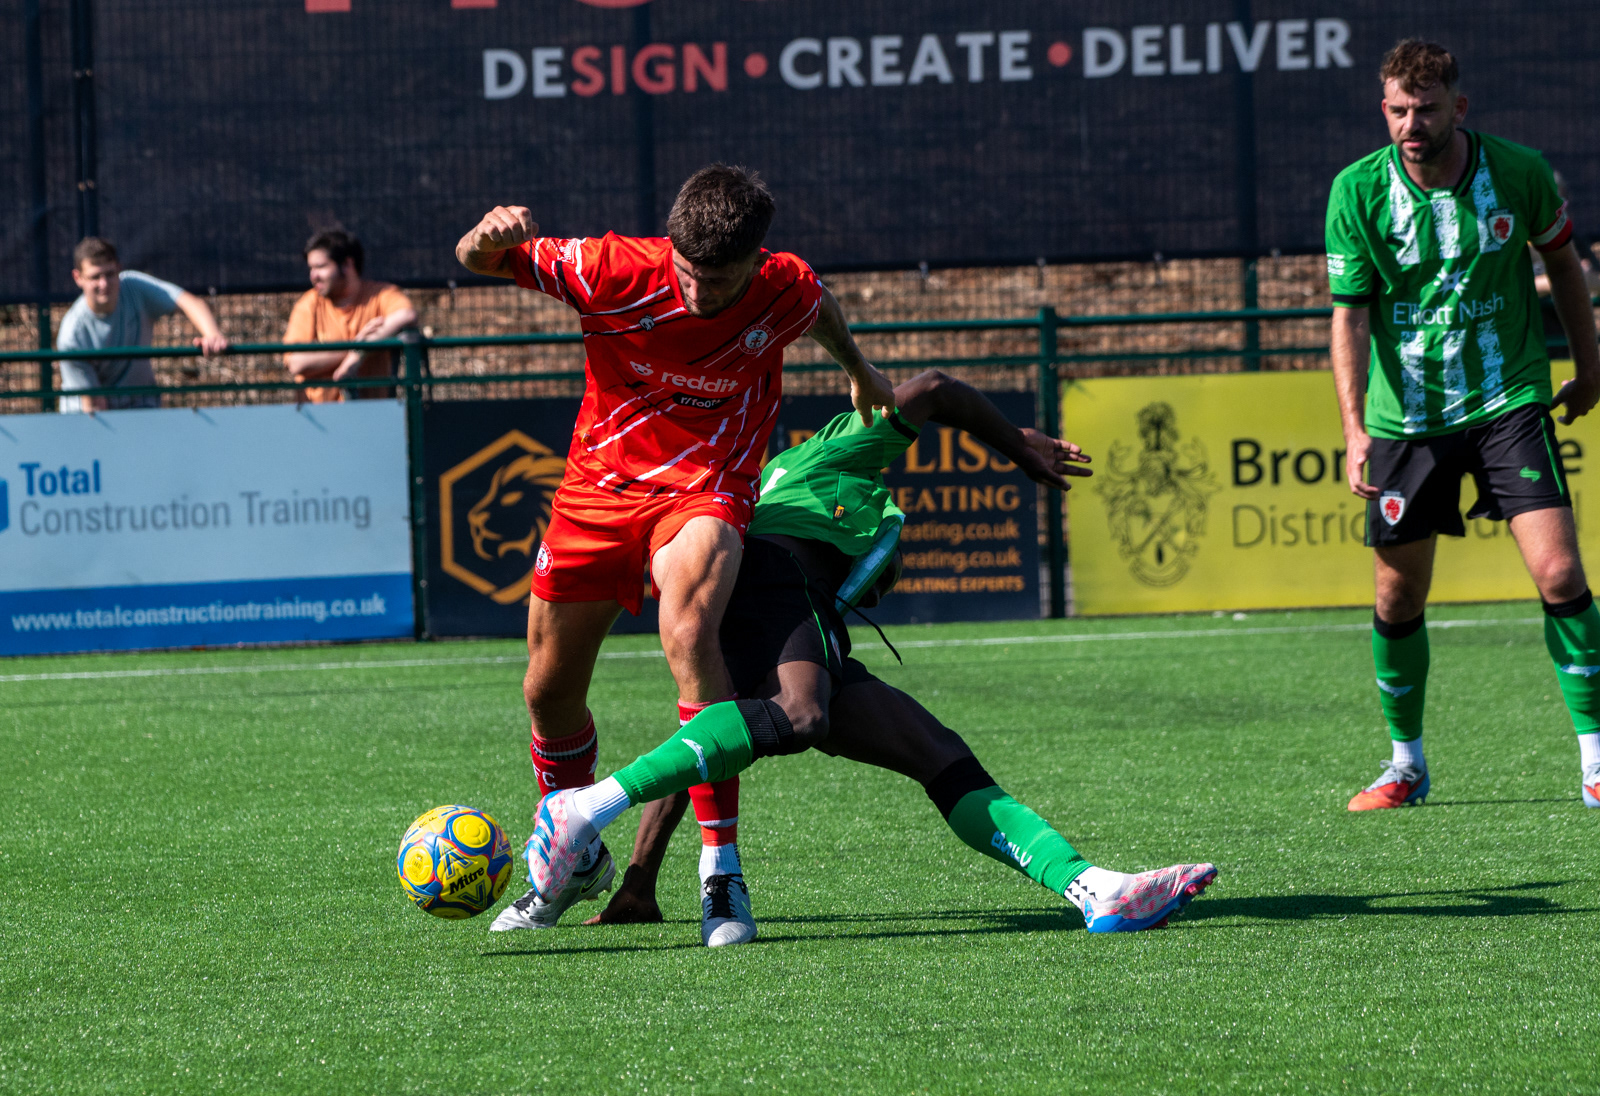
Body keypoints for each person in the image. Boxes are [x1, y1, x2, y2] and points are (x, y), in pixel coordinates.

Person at [497, 370, 1218, 941]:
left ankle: (1092, 889)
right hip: (773, 578)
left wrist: (640, 882)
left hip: (794, 612)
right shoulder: (835, 448)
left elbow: (706, 741)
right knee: (801, 713)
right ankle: (587, 806)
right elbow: (935, 388)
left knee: (937, 753)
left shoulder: (845, 513)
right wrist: (1013, 442)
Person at [458, 164, 897, 933]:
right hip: (597, 490)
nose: (698, 292)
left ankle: (720, 871)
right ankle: (575, 858)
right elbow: (478, 260)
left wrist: (857, 368)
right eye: (688, 273)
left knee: (692, 634)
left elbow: (819, 307)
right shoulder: (610, 269)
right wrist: (485, 234)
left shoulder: (784, 287)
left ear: (757, 261)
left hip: (707, 487)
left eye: (719, 280)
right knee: (546, 691)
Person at [1326, 39, 1600, 811]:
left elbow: (1565, 266)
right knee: (1397, 600)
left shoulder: (1518, 171)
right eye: (1398, 111)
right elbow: (1348, 318)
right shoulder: (1356, 191)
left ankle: (1596, 761)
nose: (1411, 125)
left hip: (1508, 401)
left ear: (1459, 107)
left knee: (1560, 574)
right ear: (1384, 110)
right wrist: (1354, 430)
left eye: (1426, 109)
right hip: (1406, 422)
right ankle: (1405, 765)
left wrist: (1590, 367)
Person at [55, 237, 229, 412]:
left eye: (109, 274)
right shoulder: (72, 335)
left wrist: (212, 335)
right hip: (87, 417)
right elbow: (94, 407)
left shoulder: (134, 287)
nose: (104, 283)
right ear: (78, 277)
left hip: (142, 406)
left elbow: (189, 302)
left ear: (119, 268)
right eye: (95, 277)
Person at [282, 230, 417, 402]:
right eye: (311, 268)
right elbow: (296, 363)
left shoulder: (381, 294)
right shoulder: (308, 304)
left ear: (347, 264)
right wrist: (357, 346)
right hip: (318, 413)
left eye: (321, 267)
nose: (313, 276)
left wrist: (357, 355)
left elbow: (406, 315)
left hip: (372, 411)